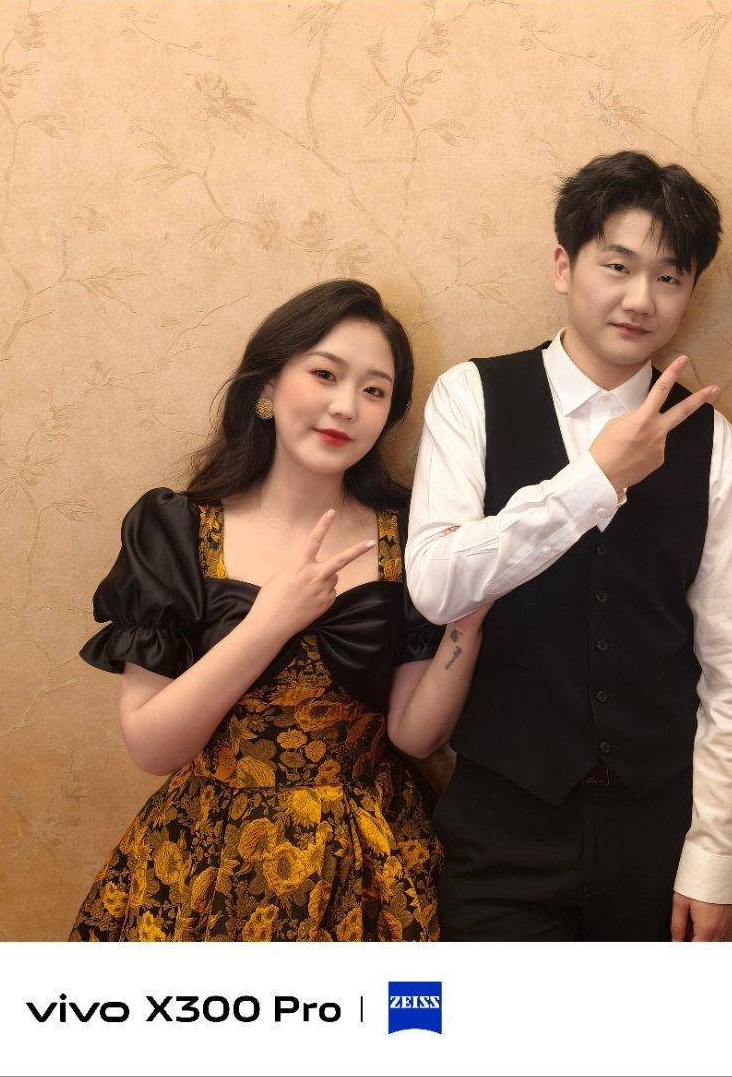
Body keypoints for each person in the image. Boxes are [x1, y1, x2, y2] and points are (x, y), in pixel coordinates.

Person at [406, 151, 732, 941]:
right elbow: (436, 586)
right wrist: (594, 480)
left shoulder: (715, 443)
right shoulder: (472, 396)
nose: (640, 299)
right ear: (563, 265)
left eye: (668, 277)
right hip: (502, 827)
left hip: (655, 837)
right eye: (617, 266)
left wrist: (715, 855)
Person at [71, 279, 485, 942]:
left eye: (374, 391)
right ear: (266, 387)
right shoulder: (176, 528)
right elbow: (151, 745)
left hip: (370, 856)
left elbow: (415, 737)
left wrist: (469, 616)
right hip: (207, 857)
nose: (345, 406)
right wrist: (271, 621)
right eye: (325, 374)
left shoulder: (410, 533)